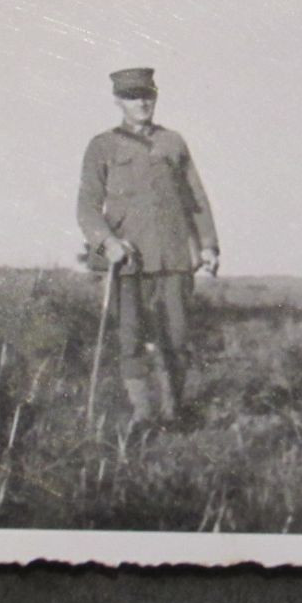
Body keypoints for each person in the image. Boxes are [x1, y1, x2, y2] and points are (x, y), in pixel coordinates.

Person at [77, 67, 219, 426]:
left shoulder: (173, 142)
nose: (141, 102)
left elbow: (195, 198)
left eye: (147, 95)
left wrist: (208, 245)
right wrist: (107, 242)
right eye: (131, 96)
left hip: (173, 259)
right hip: (127, 263)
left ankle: (174, 412)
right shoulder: (102, 145)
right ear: (117, 101)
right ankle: (142, 413)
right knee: (130, 341)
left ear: (155, 97)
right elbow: (87, 206)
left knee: (177, 339)